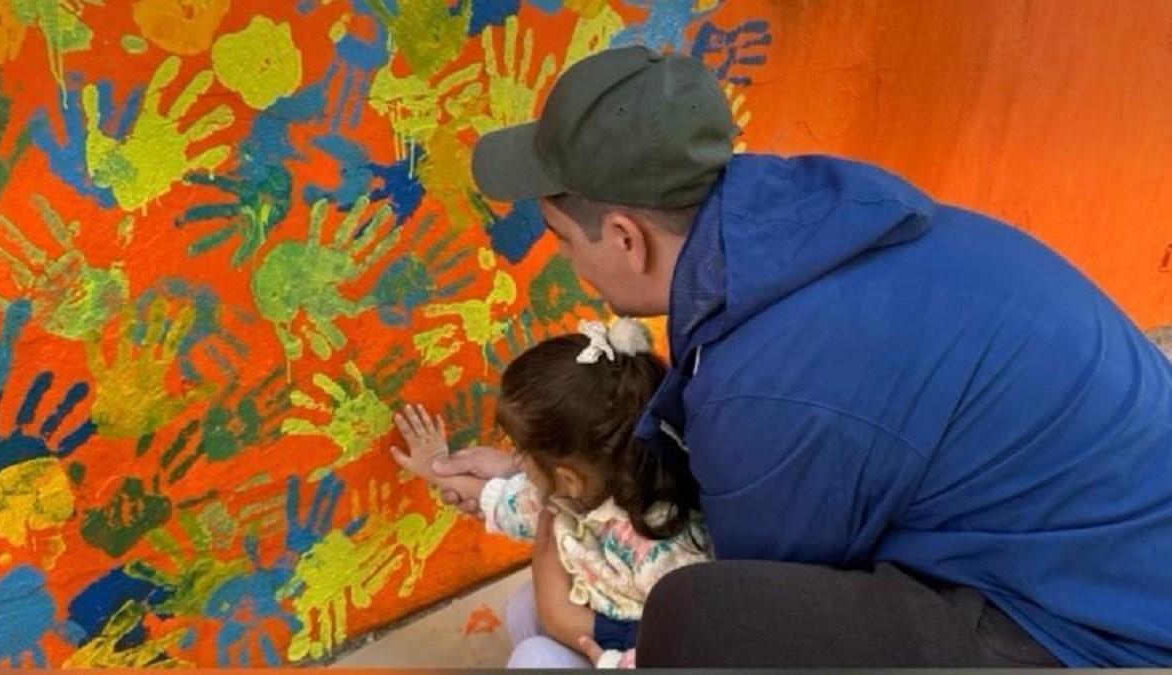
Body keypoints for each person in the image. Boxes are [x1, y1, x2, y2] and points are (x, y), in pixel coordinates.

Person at [427, 45, 1172, 667]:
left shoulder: (762, 390)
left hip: (1094, 625)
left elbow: (743, 571)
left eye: (563, 239)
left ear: (625, 236)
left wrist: (561, 543)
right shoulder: (799, 223)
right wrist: (533, 477)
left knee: (699, 619)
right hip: (1103, 536)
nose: (569, 264)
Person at [390, 318, 710, 668]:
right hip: (602, 619)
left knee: (533, 657)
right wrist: (436, 467)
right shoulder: (578, 493)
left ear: (567, 477)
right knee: (522, 606)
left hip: (635, 648)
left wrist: (611, 660)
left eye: (521, 452)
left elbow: (686, 643)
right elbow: (500, 498)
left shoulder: (663, 545)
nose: (515, 460)